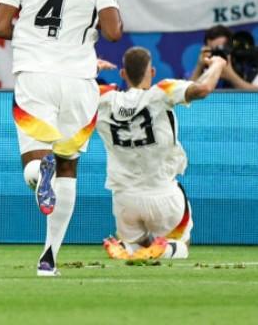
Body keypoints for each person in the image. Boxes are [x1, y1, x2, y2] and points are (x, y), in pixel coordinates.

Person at [0, 0, 124, 277]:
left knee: (33, 162)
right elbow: (113, 32)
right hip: (79, 79)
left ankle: (40, 172)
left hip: (35, 74)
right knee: (68, 165)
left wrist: (31, 34)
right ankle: (49, 258)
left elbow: (0, 26)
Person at [97, 47, 226, 262]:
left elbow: (72, 91)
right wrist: (218, 64)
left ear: (123, 74)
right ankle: (165, 250)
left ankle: (127, 247)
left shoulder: (103, 97)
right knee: (182, 243)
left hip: (123, 199)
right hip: (163, 195)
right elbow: (202, 88)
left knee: (135, 244)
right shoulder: (162, 91)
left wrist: (91, 68)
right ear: (152, 72)